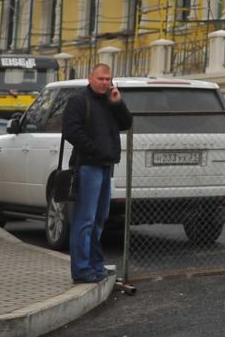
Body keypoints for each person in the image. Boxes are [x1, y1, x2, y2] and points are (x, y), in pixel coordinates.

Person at [61, 63, 132, 285]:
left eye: (108, 79)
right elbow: (71, 131)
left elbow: (127, 123)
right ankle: (82, 270)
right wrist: (95, 149)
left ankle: (96, 265)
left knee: (99, 219)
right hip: (87, 166)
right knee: (85, 220)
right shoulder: (79, 101)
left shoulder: (110, 101)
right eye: (100, 78)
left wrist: (118, 103)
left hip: (105, 166)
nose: (104, 82)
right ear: (90, 78)